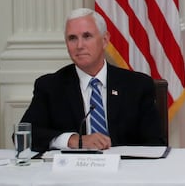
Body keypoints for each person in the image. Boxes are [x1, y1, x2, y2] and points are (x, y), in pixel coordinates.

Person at [20, 8, 165, 151]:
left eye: (87, 36)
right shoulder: (50, 86)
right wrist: (72, 140)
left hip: (124, 170)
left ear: (105, 40)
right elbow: (25, 135)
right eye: (72, 38)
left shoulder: (137, 86)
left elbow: (155, 143)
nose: (79, 46)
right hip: (72, 171)